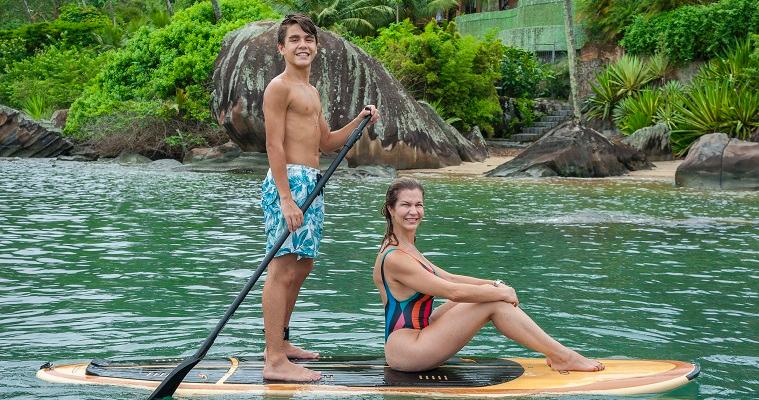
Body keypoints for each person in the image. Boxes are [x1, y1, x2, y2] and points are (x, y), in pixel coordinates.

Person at [372, 177, 605, 373]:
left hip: (419, 334)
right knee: (492, 304)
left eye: (419, 205)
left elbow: (449, 278)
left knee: (489, 297)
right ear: (391, 209)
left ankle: (559, 354)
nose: (414, 211)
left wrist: (494, 285)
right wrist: (499, 294)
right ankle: (563, 356)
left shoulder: (405, 247)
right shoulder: (395, 258)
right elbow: (451, 291)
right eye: (406, 205)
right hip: (408, 350)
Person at [261, 14, 379, 382]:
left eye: (308, 39)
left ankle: (283, 342)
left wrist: (359, 121)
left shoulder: (311, 92)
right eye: (294, 39)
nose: (302, 45)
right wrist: (285, 197)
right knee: (281, 267)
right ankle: (274, 359)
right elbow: (274, 144)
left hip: (312, 181)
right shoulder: (278, 88)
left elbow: (327, 142)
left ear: (316, 46)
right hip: (290, 184)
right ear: (282, 48)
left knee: (303, 265)